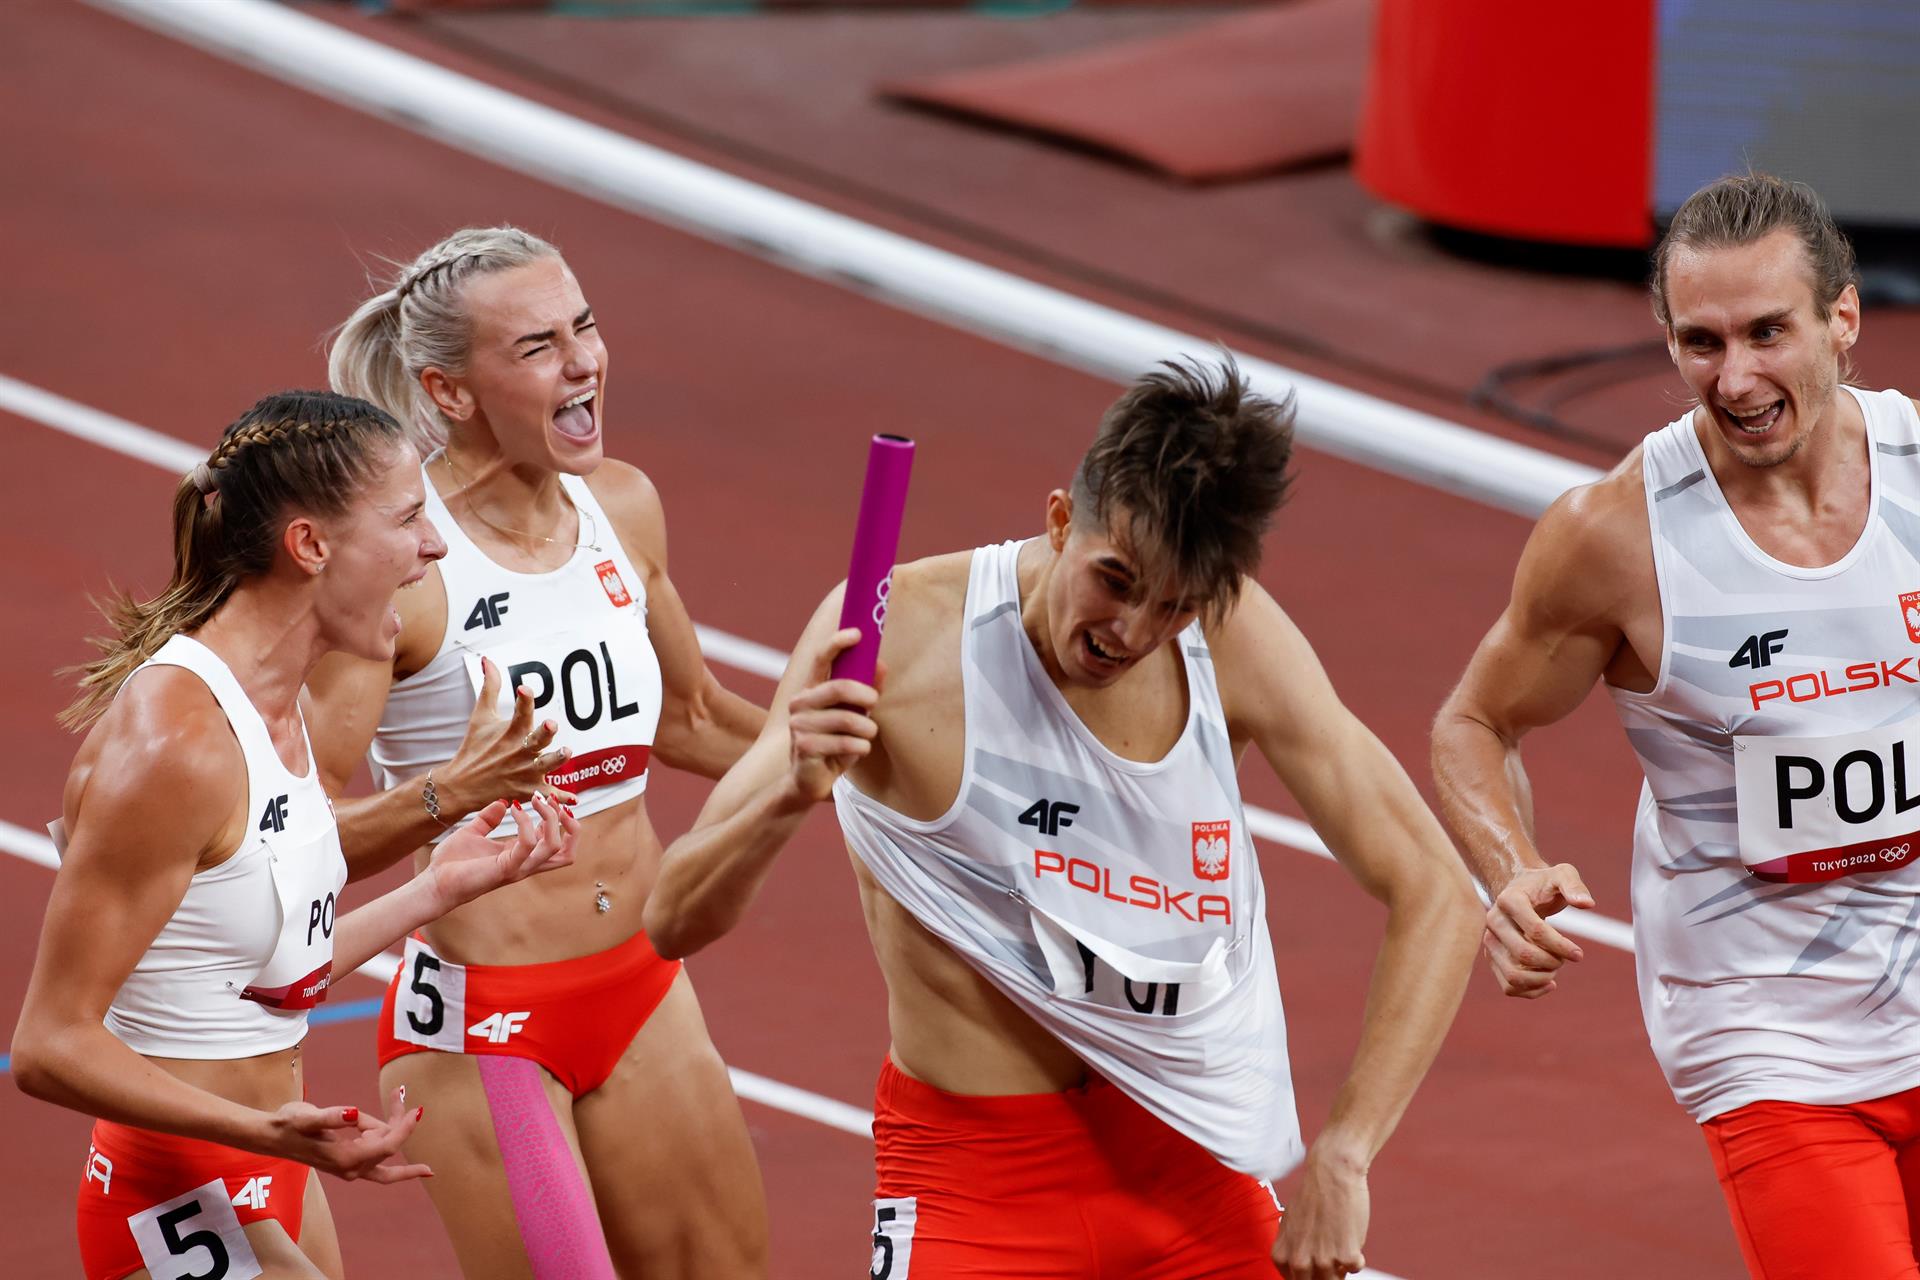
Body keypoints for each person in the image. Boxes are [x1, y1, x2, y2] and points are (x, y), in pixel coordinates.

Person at [646, 355, 1481, 1279]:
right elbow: (673, 916)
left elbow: (1436, 889)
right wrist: (786, 796)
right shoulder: (893, 635)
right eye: (1116, 580)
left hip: (1188, 1162)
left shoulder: (1231, 639)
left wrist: (1348, 1149)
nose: (1132, 632)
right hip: (974, 1181)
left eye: (1173, 605)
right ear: (1057, 522)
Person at [1431, 173, 1920, 1278]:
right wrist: (1507, 867)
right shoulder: (1616, 536)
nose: (1736, 379)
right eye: (1700, 342)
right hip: (1764, 1027)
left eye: (1766, 333)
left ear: (1843, 319)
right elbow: (1475, 719)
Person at [10, 390, 579, 1280]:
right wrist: (263, 1131)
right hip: (176, 1194)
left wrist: (439, 887)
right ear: (311, 546)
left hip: (276, 1172)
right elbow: (50, 1046)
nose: (434, 547)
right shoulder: (178, 746)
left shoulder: (281, 708)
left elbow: (265, 980)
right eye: (407, 520)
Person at [310, 226, 769, 1279]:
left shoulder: (622, 504)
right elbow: (295, 837)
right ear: (452, 390)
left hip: (646, 981)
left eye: (585, 326)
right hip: (486, 1024)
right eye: (536, 347)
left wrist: (877, 769)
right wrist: (453, 793)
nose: (582, 363)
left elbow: (691, 715)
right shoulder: (405, 561)